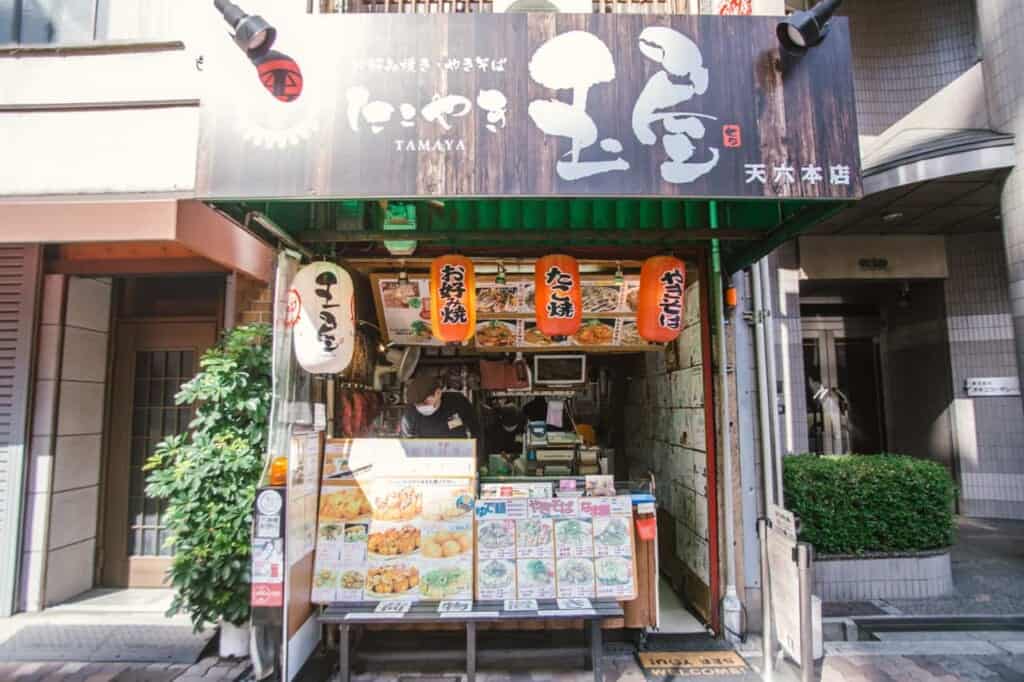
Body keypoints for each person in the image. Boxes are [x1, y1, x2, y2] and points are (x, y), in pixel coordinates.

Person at [400, 377, 480, 439]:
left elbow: (476, 429)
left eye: (426, 403)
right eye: (417, 405)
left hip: (458, 454)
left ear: (438, 393)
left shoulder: (458, 402)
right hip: (429, 456)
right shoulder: (410, 415)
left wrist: (476, 457)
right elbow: (407, 443)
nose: (422, 407)